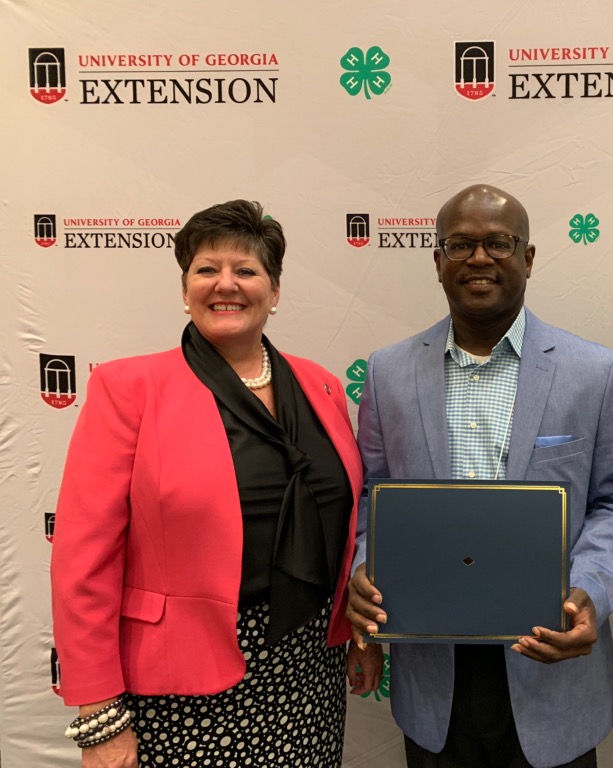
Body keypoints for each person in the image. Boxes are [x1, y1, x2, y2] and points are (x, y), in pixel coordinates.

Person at [51, 199, 382, 768]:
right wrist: (99, 717)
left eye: (246, 271)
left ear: (274, 292)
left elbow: (345, 520)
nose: (225, 284)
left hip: (307, 669)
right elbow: (83, 560)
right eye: (207, 270)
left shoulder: (322, 386)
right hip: (183, 682)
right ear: (185, 288)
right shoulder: (128, 387)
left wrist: (358, 632)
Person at [345, 184, 613, 768]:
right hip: (432, 665)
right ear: (437, 262)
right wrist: (363, 567)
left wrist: (589, 591)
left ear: (527, 258)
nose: (479, 258)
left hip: (547, 656)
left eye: (499, 243)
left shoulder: (593, 371)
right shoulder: (388, 372)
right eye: (460, 245)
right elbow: (372, 496)